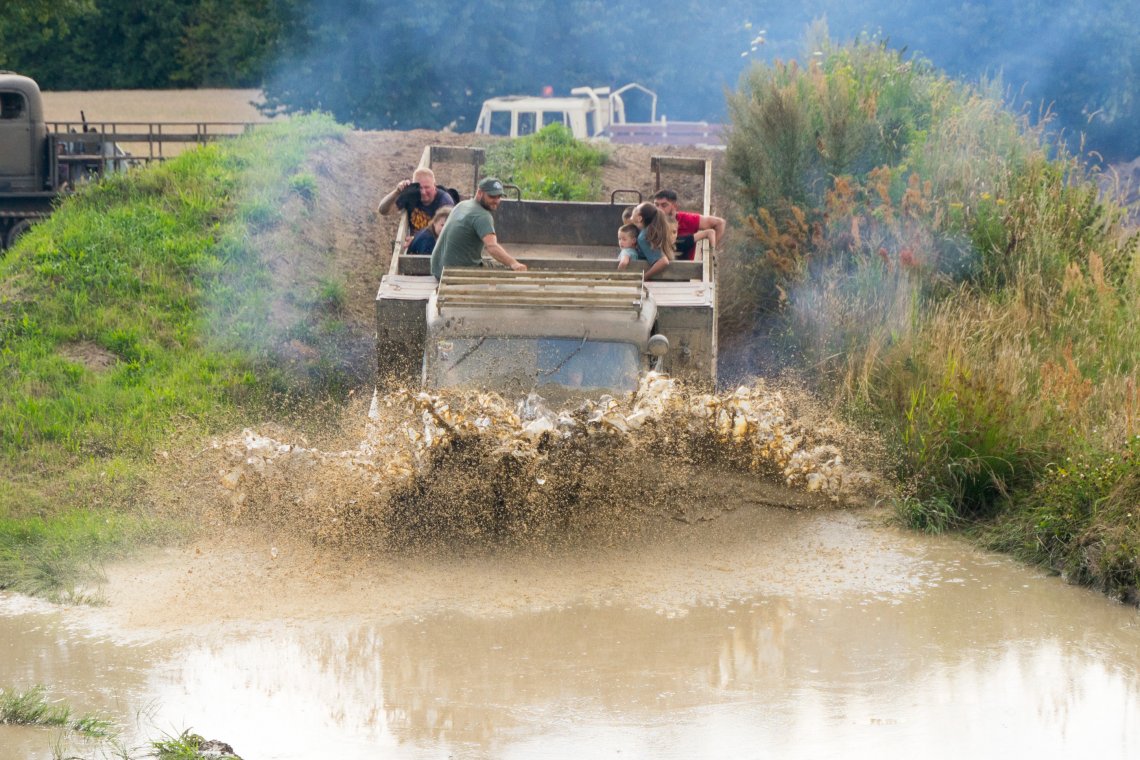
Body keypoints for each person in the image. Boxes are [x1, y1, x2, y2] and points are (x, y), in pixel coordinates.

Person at [430, 177, 527, 279]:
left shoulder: (462, 205)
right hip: (456, 274)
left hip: (438, 270)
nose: (496, 201)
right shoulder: (482, 216)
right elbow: (492, 247)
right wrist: (514, 263)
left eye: (499, 197)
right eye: (492, 196)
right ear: (480, 193)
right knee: (509, 269)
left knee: (492, 262)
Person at [378, 167, 455, 239]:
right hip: (415, 244)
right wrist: (397, 191)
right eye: (420, 188)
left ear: (434, 186)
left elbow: (447, 235)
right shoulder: (411, 195)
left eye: (427, 187)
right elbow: (383, 210)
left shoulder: (444, 201)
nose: (423, 192)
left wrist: (416, 240)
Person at [652, 189, 726, 261]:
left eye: (664, 205)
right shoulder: (650, 220)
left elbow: (720, 223)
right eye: (656, 205)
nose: (659, 209)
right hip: (656, 264)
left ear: (674, 206)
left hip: (687, 266)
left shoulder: (686, 219)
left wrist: (710, 252)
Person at [626, 201, 672, 279]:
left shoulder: (643, 237)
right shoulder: (648, 231)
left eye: (636, 208)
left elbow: (663, 262)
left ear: (639, 218)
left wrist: (644, 277)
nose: (633, 209)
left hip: (656, 279)